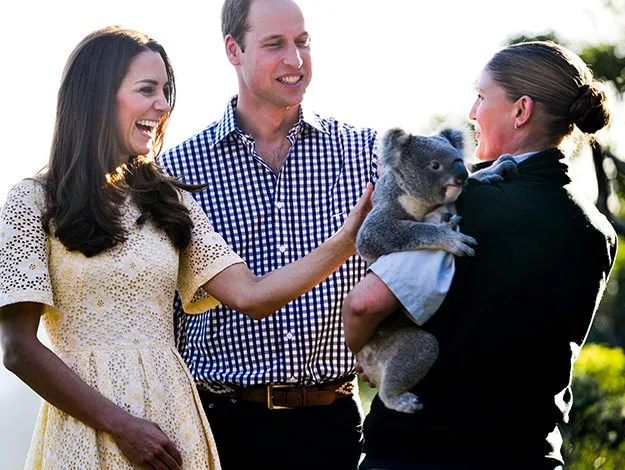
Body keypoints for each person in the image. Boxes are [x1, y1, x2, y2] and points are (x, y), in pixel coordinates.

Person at [0, 26, 372, 470]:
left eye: (165, 91)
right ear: (96, 96)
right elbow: (17, 347)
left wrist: (346, 242)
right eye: (147, 90)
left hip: (174, 423)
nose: (163, 105)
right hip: (89, 424)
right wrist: (120, 425)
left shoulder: (168, 199)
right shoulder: (32, 201)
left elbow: (252, 296)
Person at [343, 40, 618, 470]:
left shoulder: (459, 205)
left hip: (420, 455)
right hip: (530, 457)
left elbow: (363, 304)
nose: (472, 112)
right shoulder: (598, 231)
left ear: (521, 111)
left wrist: (366, 356)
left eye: (482, 96)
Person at [158, 0, 378, 469]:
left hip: (338, 427)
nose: (295, 61)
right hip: (224, 428)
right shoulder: (176, 171)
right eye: (275, 44)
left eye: (302, 42)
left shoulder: (366, 154)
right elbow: (161, 316)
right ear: (233, 49)